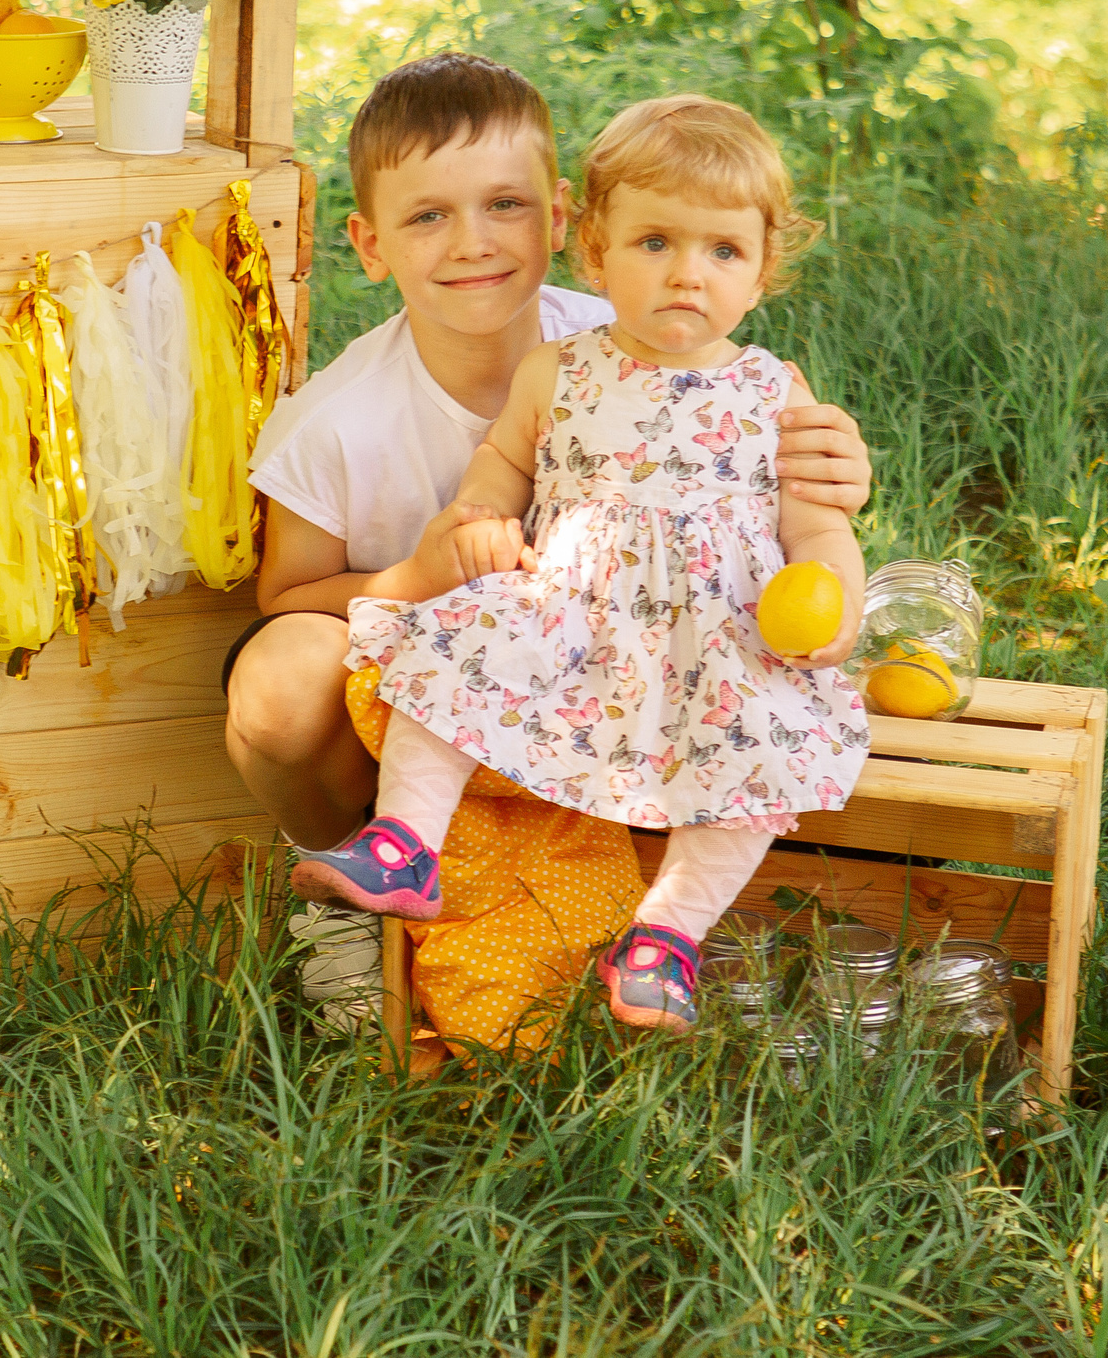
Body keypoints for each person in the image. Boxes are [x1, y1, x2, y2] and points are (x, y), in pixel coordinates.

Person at [226, 54, 873, 1036]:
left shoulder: (659, 328)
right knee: (330, 666)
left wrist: (834, 522)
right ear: (368, 243)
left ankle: (666, 934)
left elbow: (807, 515)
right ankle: (376, 869)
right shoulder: (359, 416)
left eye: (504, 206)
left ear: (565, 222)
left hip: (680, 653)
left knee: (761, 729)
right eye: (427, 216)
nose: (473, 243)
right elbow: (294, 591)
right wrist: (422, 572)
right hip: (521, 638)